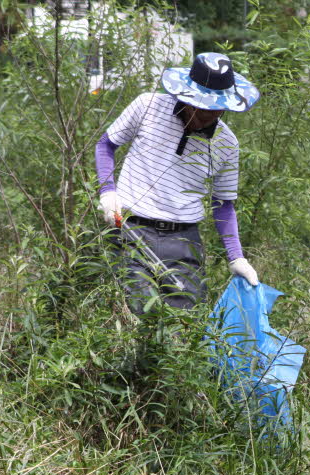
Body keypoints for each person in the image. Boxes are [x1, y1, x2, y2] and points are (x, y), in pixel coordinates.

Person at [95, 52, 260, 314]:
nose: (207, 115)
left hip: (184, 240)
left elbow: (223, 204)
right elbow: (106, 144)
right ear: (185, 95)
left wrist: (236, 256)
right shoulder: (147, 106)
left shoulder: (227, 144)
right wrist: (107, 191)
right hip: (131, 229)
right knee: (140, 316)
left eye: (215, 109)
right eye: (201, 107)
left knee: (186, 324)